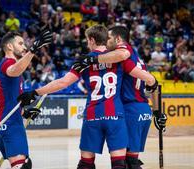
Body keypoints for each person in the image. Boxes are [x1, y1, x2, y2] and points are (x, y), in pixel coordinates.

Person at [19, 25, 130, 169]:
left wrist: (34, 93)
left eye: (87, 40)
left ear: (91, 40)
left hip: (93, 116)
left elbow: (63, 82)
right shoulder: (118, 56)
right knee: (119, 164)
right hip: (116, 114)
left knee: (86, 164)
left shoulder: (83, 61)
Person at [76, 26, 167, 169]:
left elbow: (122, 54)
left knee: (128, 163)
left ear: (118, 39)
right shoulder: (137, 56)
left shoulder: (123, 51)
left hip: (130, 108)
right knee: (131, 160)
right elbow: (153, 82)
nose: (106, 41)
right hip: (142, 109)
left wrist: (91, 59)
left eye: (109, 38)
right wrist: (157, 111)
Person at [0, 28, 52, 169]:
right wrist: (33, 50)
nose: (24, 47)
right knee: (21, 166)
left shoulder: (2, 68)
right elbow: (15, 70)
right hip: (9, 123)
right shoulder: (7, 64)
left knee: (25, 163)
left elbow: (8, 99)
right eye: (20, 43)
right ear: (10, 46)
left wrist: (24, 113)